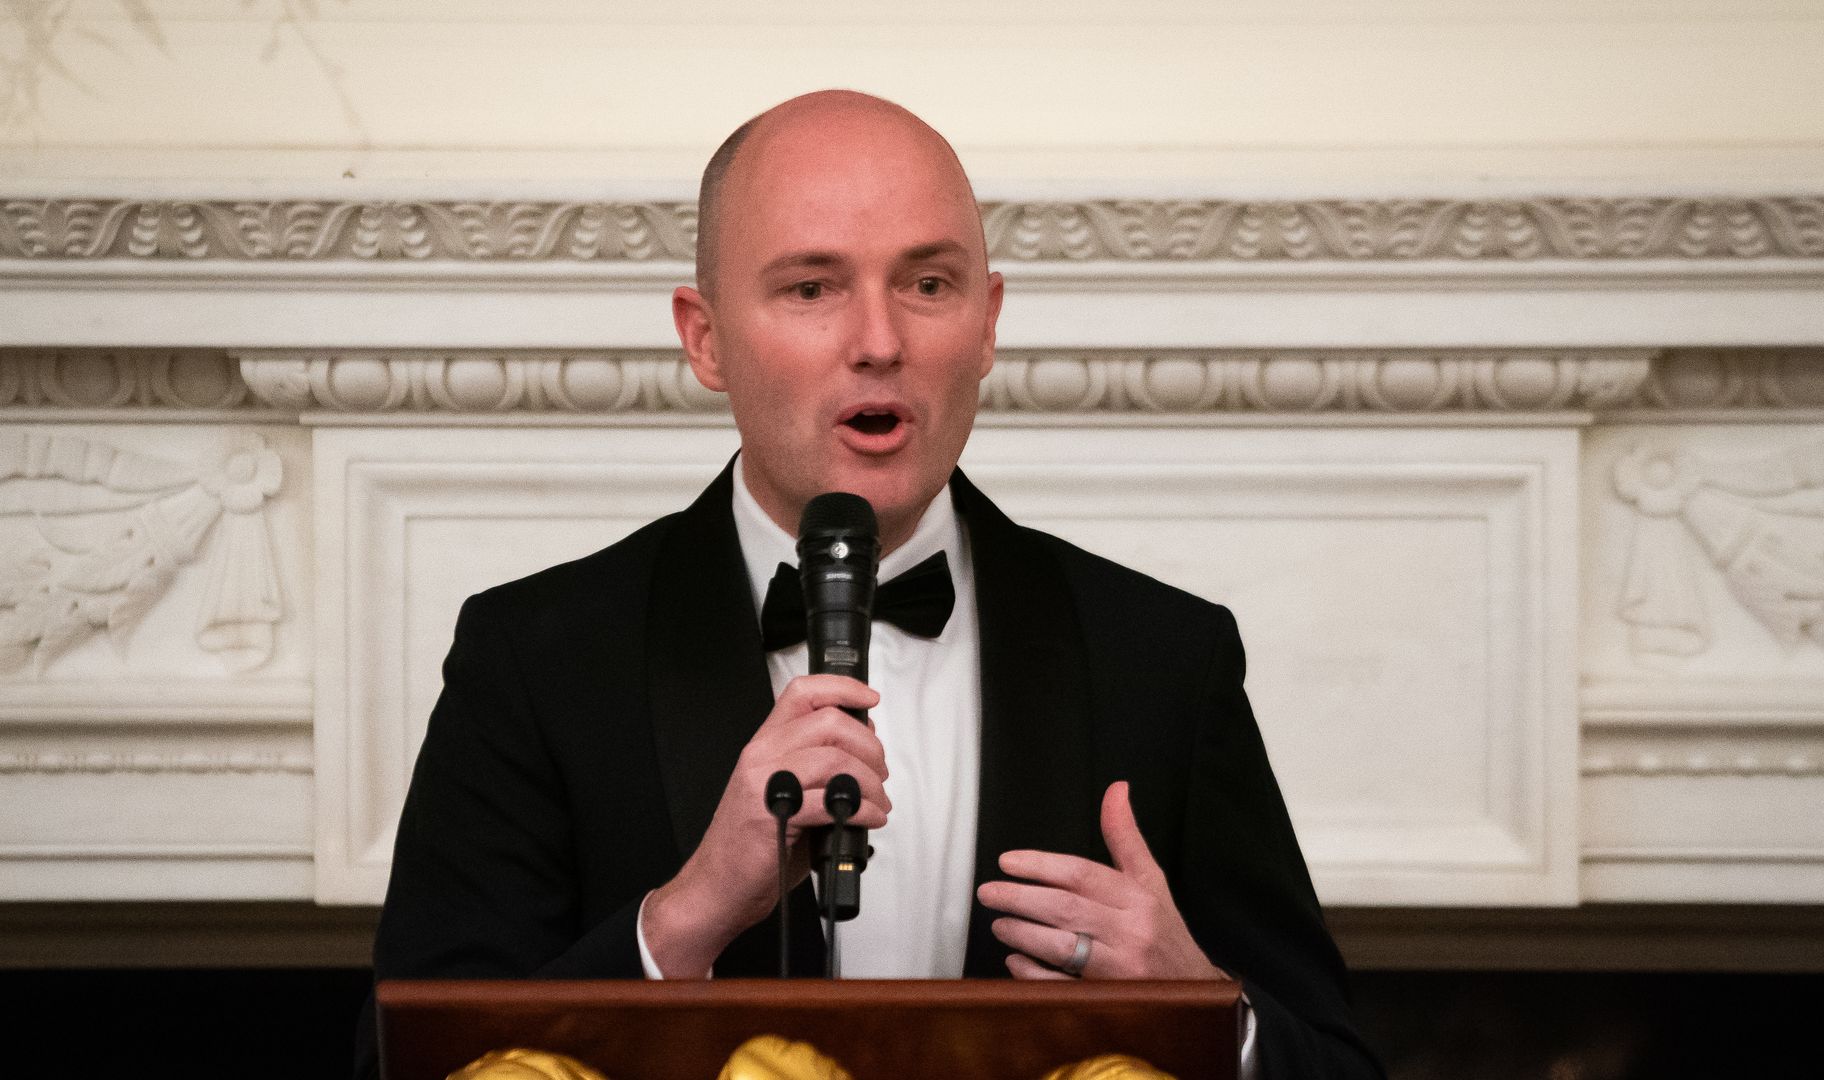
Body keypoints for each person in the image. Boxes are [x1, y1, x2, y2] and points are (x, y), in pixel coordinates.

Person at [362, 90, 1381, 1079]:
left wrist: (1206, 1011)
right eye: (812, 288)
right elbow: (400, 1063)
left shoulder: (1164, 660)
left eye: (927, 284)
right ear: (704, 337)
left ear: (987, 323)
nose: (881, 341)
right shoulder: (534, 658)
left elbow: (1336, 1062)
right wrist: (683, 920)